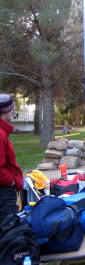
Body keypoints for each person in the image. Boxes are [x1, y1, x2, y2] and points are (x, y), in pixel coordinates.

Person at [0, 94, 23, 222]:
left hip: (5, 190)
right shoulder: (0, 133)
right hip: (4, 192)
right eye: (12, 109)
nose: (13, 112)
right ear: (6, 112)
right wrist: (10, 181)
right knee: (10, 228)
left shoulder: (3, 131)